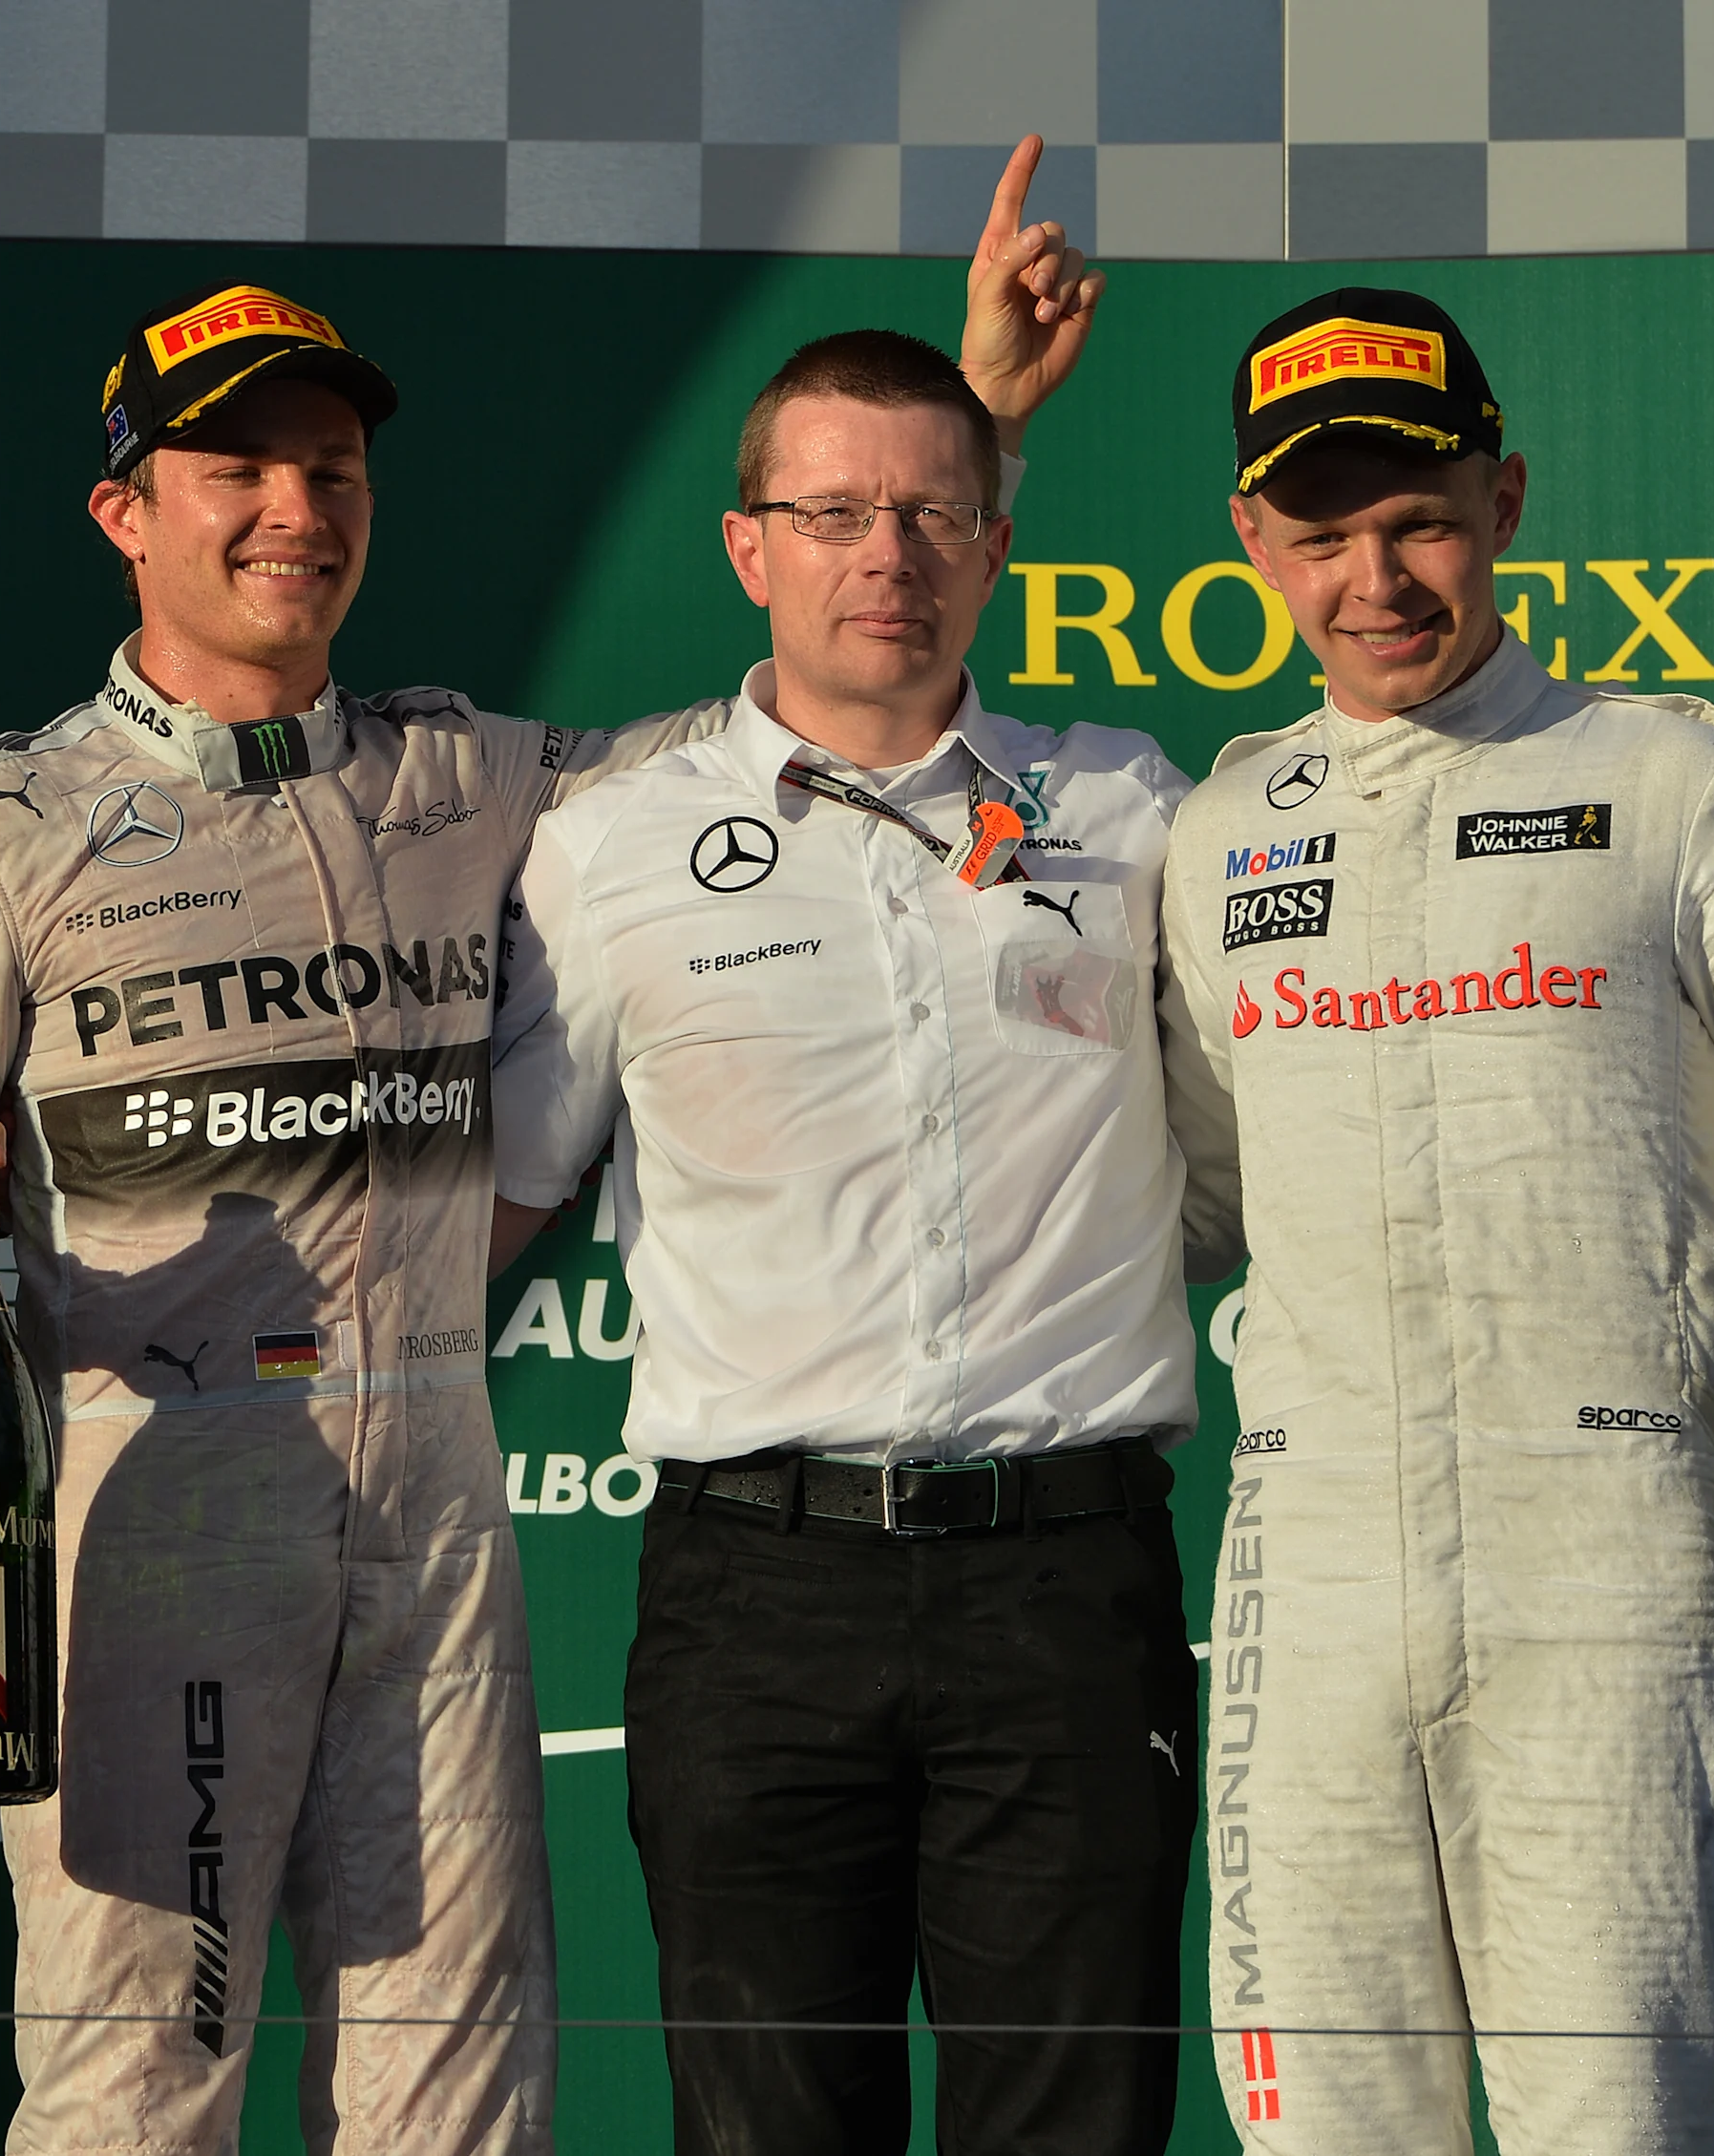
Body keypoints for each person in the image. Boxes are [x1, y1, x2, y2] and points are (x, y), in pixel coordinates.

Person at [0, 145, 1100, 2156]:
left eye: (330, 469)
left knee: (460, 2085)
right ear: (121, 510)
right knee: (134, 2081)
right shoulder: (2, 820)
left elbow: (798, 715)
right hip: (157, 1490)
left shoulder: (471, 774)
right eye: (235, 469)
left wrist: (973, 429)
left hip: (430, 1479)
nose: (294, 508)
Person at [1164, 287, 1714, 2154]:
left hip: (1605, 1574)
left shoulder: (1667, 775)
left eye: (1421, 521)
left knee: (1611, 2130)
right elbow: (1176, 1210)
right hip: (1304, 1585)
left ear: (1507, 498)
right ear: (1251, 543)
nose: (1374, 577)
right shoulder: (1216, 832)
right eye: (1319, 536)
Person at [484, 314, 1230, 2154]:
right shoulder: (609, 845)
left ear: (995, 540)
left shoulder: (1138, 808)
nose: (883, 556)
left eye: (930, 514)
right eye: (831, 515)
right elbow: (483, 1211)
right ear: (749, 546)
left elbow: (1319, 1082)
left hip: (1070, 1580)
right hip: (757, 1597)